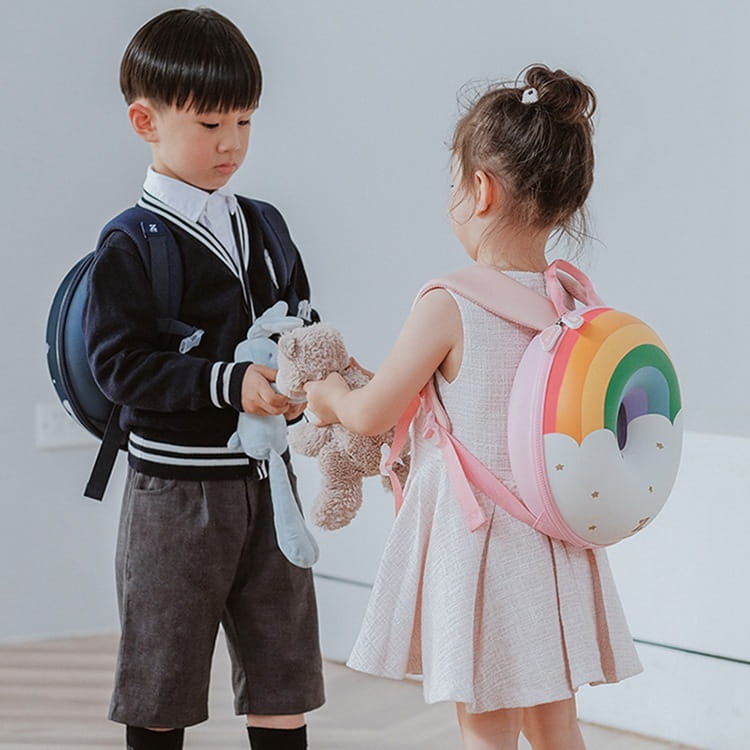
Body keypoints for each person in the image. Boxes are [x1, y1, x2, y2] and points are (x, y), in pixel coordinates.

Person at [303, 65, 642, 750]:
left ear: (480, 190)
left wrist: (329, 394)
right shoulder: (574, 306)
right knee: (556, 722)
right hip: (556, 541)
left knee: (484, 728)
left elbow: (370, 415)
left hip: (483, 546)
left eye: (455, 182)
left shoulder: (449, 303)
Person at [83, 9, 324, 750]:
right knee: (162, 684)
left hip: (269, 488)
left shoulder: (266, 225)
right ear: (145, 121)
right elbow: (118, 366)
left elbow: (305, 328)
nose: (232, 144)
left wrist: (319, 375)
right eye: (211, 123)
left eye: (245, 122)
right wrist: (230, 383)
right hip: (175, 495)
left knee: (284, 679)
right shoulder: (131, 241)